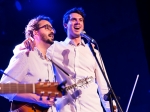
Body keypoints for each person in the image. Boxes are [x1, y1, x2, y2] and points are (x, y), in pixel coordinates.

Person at [18, 7, 117, 112]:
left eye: (80, 20)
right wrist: (23, 45)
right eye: (73, 20)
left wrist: (112, 109)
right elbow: (25, 51)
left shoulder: (93, 52)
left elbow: (104, 86)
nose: (78, 22)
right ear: (65, 25)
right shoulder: (54, 48)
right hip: (66, 109)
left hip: (92, 108)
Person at [0, 15, 57, 112]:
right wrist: (37, 98)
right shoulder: (26, 55)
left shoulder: (50, 62)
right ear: (35, 32)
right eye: (47, 27)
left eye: (52, 28)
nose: (52, 31)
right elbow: (3, 88)